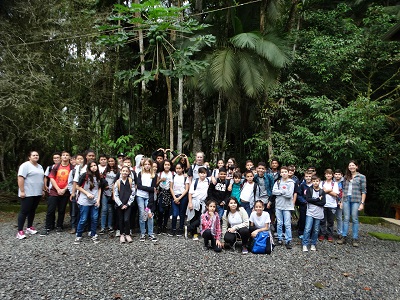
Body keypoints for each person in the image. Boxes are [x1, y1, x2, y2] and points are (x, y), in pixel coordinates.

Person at [74, 160, 106, 244]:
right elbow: (77, 186)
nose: (94, 167)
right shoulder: (85, 175)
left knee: (95, 218)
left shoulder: (99, 176)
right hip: (84, 200)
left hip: (95, 200)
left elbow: (99, 188)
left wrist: (98, 199)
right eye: (91, 166)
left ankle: (93, 233)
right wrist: (87, 193)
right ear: (89, 167)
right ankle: (79, 235)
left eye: (95, 165)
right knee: (83, 218)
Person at [41, 151, 72, 235]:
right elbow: (51, 178)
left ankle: (59, 225)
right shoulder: (56, 166)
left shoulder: (72, 167)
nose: (65, 157)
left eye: (67, 155)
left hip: (66, 192)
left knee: (62, 210)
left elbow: (72, 181)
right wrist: (58, 189)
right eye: (63, 155)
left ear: (69, 157)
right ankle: (48, 226)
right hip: (54, 191)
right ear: (61, 157)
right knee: (51, 210)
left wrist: (64, 189)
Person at [16, 151, 45, 239]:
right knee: (24, 211)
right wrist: (22, 191)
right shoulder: (25, 166)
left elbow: (41, 178)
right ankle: (20, 231)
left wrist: (43, 189)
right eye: (33, 155)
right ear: (29, 157)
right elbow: (20, 178)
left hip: (37, 192)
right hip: (27, 192)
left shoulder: (40, 166)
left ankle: (29, 227)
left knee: (32, 210)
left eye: (37, 155)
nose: (36, 156)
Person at [337, 161, 367, 247]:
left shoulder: (361, 177)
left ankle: (355, 238)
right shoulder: (346, 177)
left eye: (353, 165)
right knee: (345, 218)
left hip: (356, 199)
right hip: (346, 199)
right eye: (350, 165)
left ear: (356, 166)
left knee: (354, 218)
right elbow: (343, 190)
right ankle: (344, 236)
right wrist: (341, 201)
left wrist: (362, 203)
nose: (351, 167)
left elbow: (364, 191)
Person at [272, 166, 295, 249]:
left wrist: (279, 192)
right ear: (280, 173)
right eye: (282, 172)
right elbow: (273, 191)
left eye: (286, 171)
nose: (284, 173)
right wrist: (283, 192)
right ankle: (279, 239)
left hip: (287, 206)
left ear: (288, 173)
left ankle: (288, 240)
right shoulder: (277, 182)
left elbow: (289, 195)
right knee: (279, 223)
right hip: (278, 205)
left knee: (287, 224)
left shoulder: (291, 182)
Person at [136, 158, 158, 242]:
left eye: (149, 164)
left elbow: (152, 191)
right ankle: (142, 233)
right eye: (145, 164)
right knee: (142, 214)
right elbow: (139, 186)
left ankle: (150, 233)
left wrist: (149, 206)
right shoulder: (140, 174)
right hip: (140, 196)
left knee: (149, 214)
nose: (147, 166)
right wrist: (151, 188)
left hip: (148, 197)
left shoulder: (153, 175)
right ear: (143, 165)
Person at [302, 175, 326, 252]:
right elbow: (308, 199)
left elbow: (323, 203)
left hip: (319, 213)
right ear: (312, 182)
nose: (315, 183)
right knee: (307, 228)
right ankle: (305, 244)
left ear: (319, 182)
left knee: (316, 229)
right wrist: (317, 199)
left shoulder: (322, 191)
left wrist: (314, 200)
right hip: (310, 212)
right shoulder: (309, 190)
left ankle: (313, 243)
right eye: (314, 181)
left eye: (317, 181)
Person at [113, 166, 136, 243]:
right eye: (123, 171)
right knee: (120, 219)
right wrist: (121, 204)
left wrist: (128, 204)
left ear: (129, 172)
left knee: (126, 219)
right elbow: (115, 195)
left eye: (126, 171)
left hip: (128, 204)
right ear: (121, 172)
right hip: (120, 204)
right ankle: (122, 234)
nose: (125, 172)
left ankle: (127, 234)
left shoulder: (131, 181)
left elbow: (133, 193)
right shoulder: (117, 182)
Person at [186, 167, 210, 240]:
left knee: (201, 218)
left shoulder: (208, 181)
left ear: (206, 174)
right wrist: (190, 203)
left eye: (204, 173)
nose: (203, 175)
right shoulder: (195, 181)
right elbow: (190, 193)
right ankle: (194, 234)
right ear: (198, 174)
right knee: (193, 217)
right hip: (194, 201)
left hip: (203, 202)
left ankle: (188, 228)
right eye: (201, 173)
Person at [318, 169, 339, 242]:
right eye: (327, 174)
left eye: (330, 174)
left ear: (332, 175)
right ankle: (322, 234)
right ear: (325, 175)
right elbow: (320, 192)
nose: (328, 175)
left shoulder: (335, 183)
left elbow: (335, 194)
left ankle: (330, 234)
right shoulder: (321, 183)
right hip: (323, 204)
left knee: (330, 221)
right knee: (322, 220)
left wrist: (325, 191)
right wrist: (329, 190)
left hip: (332, 204)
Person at [99, 156, 118, 234]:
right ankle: (103, 227)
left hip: (113, 193)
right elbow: (101, 179)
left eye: (112, 161)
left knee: (110, 210)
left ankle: (110, 226)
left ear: (115, 162)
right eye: (109, 161)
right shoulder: (105, 170)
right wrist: (105, 185)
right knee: (104, 210)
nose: (111, 163)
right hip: (105, 192)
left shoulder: (118, 171)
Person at [170, 162, 189, 236]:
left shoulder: (185, 177)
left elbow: (186, 189)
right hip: (174, 196)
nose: (178, 170)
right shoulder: (173, 176)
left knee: (182, 213)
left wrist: (179, 198)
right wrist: (175, 197)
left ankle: (181, 228)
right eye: (177, 168)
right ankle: (173, 228)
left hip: (183, 197)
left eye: (179, 168)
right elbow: (171, 187)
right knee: (174, 214)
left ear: (182, 169)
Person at [67, 153, 84, 234]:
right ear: (75, 160)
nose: (80, 160)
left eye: (81, 159)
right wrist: (72, 192)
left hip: (83, 193)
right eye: (78, 159)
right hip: (75, 193)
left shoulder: (86, 170)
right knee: (74, 211)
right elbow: (70, 182)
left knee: (82, 211)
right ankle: (73, 227)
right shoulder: (73, 171)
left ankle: (82, 226)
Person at [157, 159, 174, 234]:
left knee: (167, 210)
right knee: (160, 210)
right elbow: (156, 184)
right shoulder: (160, 173)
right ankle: (159, 225)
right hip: (161, 192)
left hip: (169, 193)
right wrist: (160, 180)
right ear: (163, 165)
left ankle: (165, 226)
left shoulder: (172, 173)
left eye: (168, 165)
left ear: (170, 166)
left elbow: (172, 185)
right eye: (165, 165)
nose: (167, 166)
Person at [297, 171, 313, 239]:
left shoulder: (314, 185)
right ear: (304, 177)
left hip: (312, 205)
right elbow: (299, 194)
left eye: (309, 176)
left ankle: (311, 233)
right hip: (303, 205)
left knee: (311, 220)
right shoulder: (302, 185)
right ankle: (301, 232)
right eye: (306, 176)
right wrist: (303, 201)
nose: (308, 178)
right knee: (302, 219)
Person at [333, 169, 344, 238]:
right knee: (329, 218)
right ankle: (328, 231)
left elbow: (345, 192)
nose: (337, 176)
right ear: (334, 175)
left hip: (340, 202)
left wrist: (341, 201)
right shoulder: (331, 181)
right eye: (336, 174)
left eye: (339, 174)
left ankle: (340, 232)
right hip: (332, 201)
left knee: (339, 217)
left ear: (341, 175)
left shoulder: (344, 182)